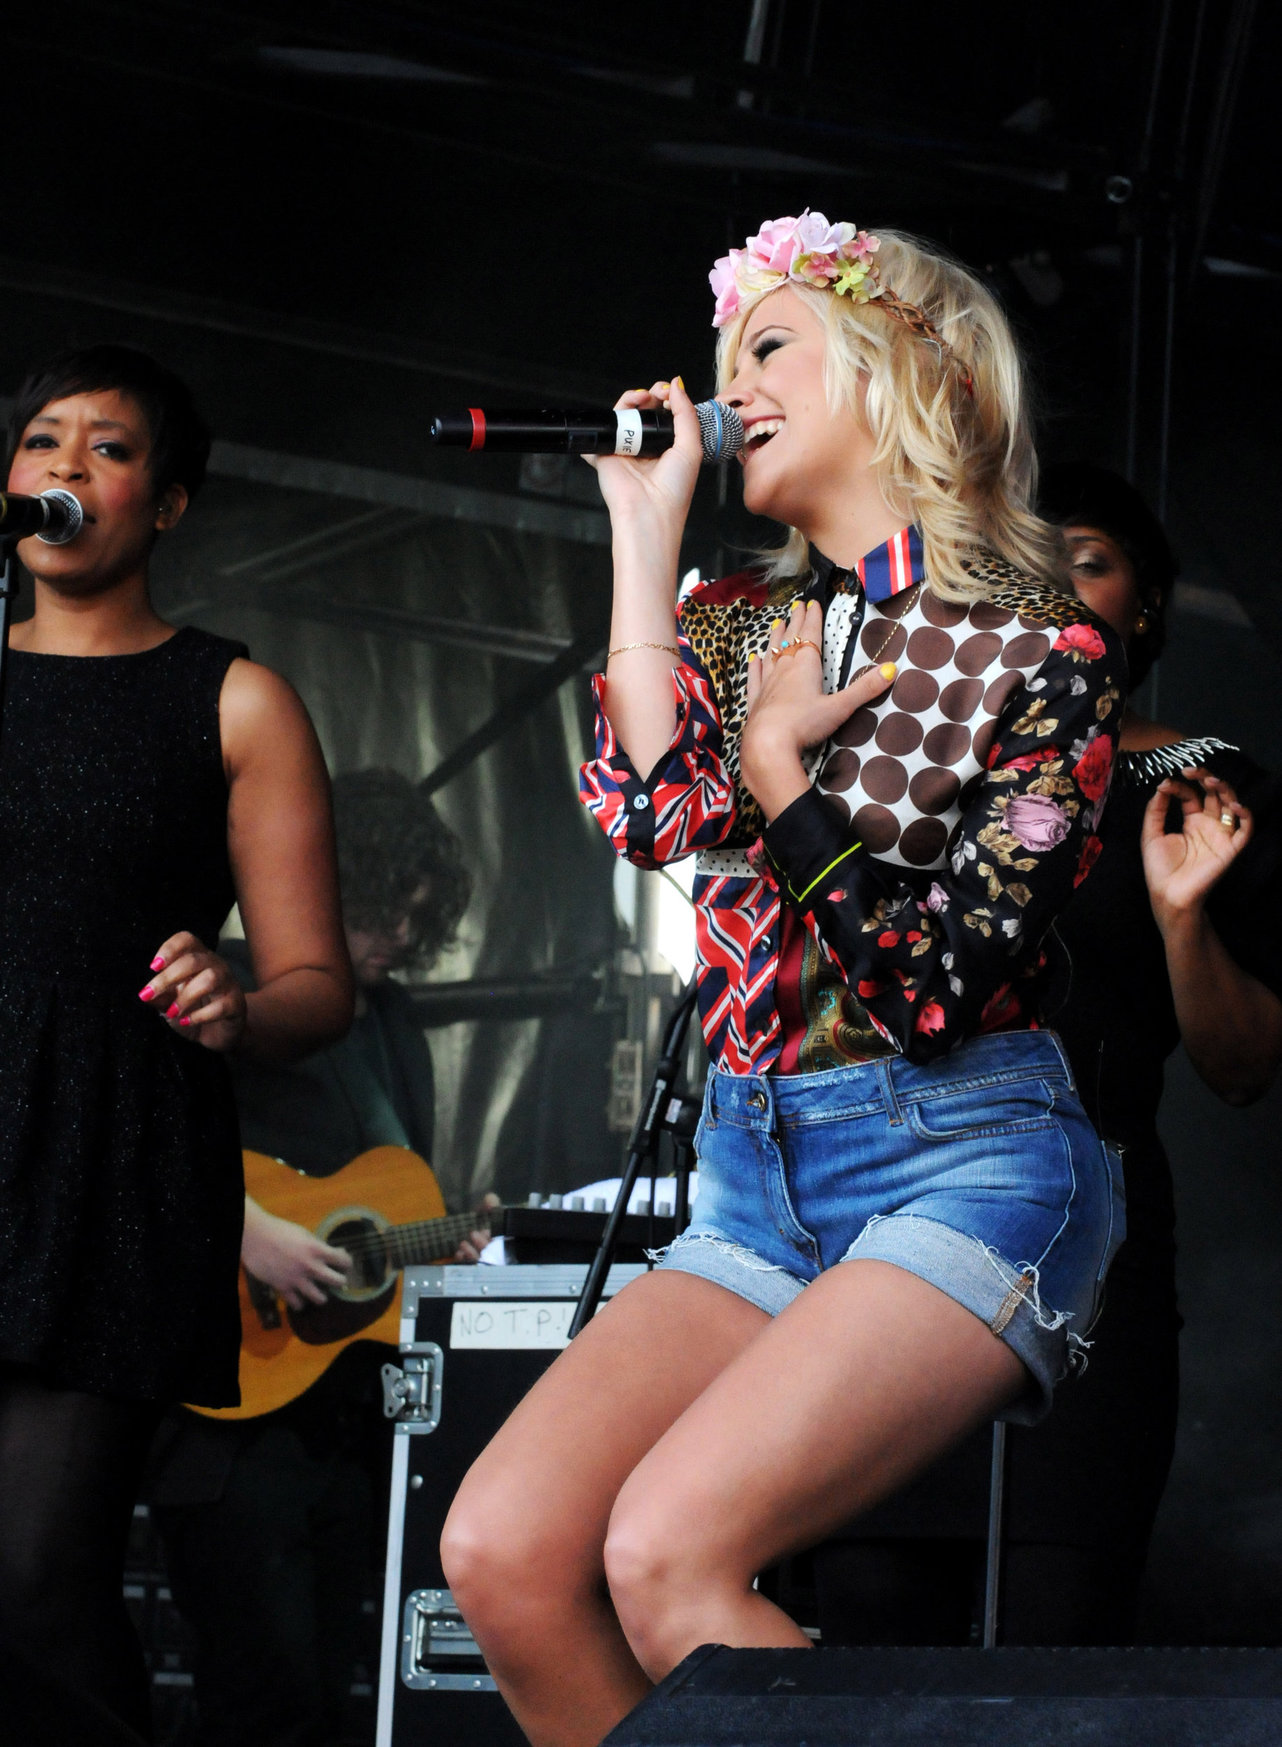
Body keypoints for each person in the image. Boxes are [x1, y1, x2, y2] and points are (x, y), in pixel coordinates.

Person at [439, 212, 1128, 1746]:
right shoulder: (735, 619)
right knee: (502, 1552)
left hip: (967, 1152)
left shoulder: (1039, 658)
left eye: (765, 347)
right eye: (720, 355)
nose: (724, 385)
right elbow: (648, 807)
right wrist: (638, 530)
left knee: (668, 1556)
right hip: (754, 1172)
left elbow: (934, 984)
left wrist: (788, 782)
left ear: (912, 374)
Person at [810, 464, 1282, 1648]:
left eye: (1087, 558)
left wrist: (1180, 916)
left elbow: (1242, 1066)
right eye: (1026, 557)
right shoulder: (916, 766)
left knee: (1052, 1617)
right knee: (866, 1604)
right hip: (897, 1224)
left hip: (1091, 1236)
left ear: (1146, 606)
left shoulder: (1198, 781)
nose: (1053, 578)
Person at [0, 345, 353, 1738]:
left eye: (109, 447)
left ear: (171, 502)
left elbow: (318, 980)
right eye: (41, 442)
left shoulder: (233, 697)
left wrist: (239, 997)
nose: (67, 469)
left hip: (111, 1170)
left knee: (32, 1586)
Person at [152, 769, 482, 1747]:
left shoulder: (396, 1029)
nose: (398, 944)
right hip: (228, 1418)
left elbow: (393, 1198)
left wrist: (443, 1245)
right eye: (386, 914)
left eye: (418, 926)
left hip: (350, 1415)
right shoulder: (222, 982)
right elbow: (137, 1145)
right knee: (262, 1696)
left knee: (333, 1691)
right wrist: (243, 1222)